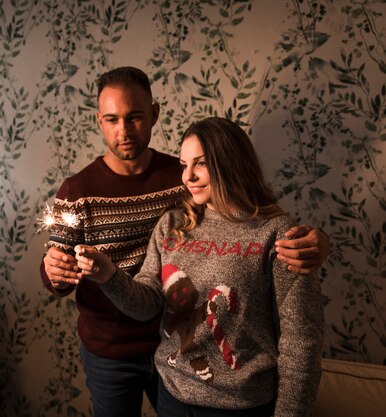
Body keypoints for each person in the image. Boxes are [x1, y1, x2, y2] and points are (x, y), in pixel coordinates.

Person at [40, 67, 329, 417]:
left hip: (202, 367)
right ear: (99, 121)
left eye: (134, 117)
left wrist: (321, 240)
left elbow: (300, 336)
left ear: (154, 114)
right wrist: (56, 271)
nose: (124, 130)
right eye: (112, 119)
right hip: (118, 352)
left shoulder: (181, 185)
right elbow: (62, 270)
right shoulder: (81, 193)